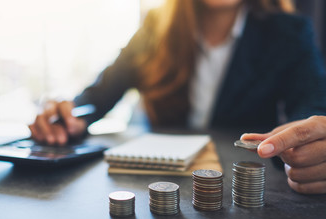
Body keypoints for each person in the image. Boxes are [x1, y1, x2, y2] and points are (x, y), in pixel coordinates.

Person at [29, 0, 326, 193]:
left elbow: (311, 104)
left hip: (243, 188)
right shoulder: (154, 25)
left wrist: (308, 142)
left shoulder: (289, 31)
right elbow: (98, 95)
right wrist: (69, 117)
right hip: (150, 184)